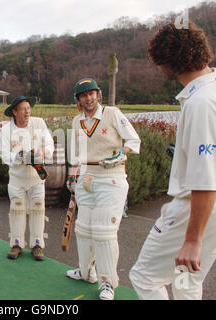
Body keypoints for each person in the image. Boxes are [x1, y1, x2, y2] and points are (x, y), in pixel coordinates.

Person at [129, 22, 216, 300]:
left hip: (195, 208)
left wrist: (192, 239)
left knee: (144, 277)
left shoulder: (201, 102)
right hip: (211, 212)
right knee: (186, 280)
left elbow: (205, 178)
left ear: (169, 60)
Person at [66, 78, 141, 300]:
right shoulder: (76, 121)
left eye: (92, 94)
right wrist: (73, 178)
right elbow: (75, 153)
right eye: (83, 95)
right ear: (78, 99)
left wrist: (122, 153)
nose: (88, 98)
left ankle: (108, 282)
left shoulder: (112, 113)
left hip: (111, 179)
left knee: (104, 233)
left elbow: (134, 140)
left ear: (98, 94)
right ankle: (87, 271)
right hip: (86, 178)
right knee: (83, 228)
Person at [0, 96, 54, 261]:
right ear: (14, 112)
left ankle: (37, 245)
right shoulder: (6, 130)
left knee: (38, 210)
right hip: (17, 180)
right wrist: (21, 157)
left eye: (29, 108)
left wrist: (43, 153)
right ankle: (17, 244)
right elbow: (4, 154)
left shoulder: (38, 124)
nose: (27, 111)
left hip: (36, 179)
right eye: (23, 109)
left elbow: (49, 144)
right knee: (17, 210)